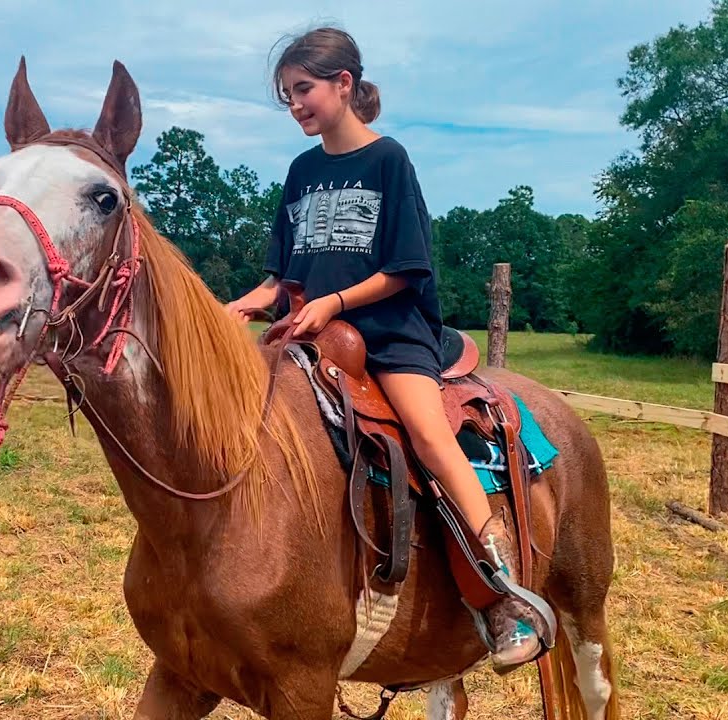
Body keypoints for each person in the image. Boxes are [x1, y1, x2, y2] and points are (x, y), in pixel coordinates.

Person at [225, 26, 551, 674]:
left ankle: (504, 592)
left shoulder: (387, 161)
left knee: (430, 439)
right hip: (314, 337)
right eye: (287, 94)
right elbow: (279, 273)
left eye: (304, 89)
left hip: (391, 333)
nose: (295, 104)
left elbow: (406, 266)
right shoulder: (301, 172)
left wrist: (335, 301)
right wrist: (240, 305)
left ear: (344, 84)